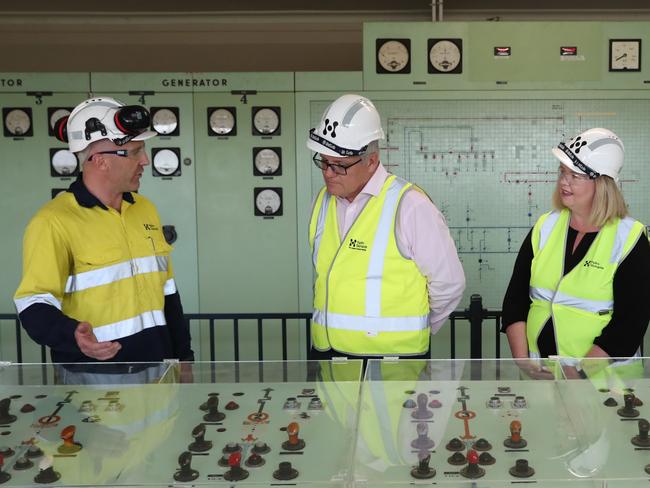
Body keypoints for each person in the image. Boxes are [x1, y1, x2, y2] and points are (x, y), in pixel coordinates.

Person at [14, 96, 193, 363]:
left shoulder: (145, 209)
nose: (144, 161)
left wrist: (184, 357)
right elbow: (33, 303)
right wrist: (73, 335)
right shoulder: (53, 221)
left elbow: (168, 292)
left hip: (158, 375)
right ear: (100, 161)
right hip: (94, 383)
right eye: (134, 152)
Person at [307, 94, 465, 360]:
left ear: (371, 160)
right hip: (328, 357)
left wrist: (413, 329)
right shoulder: (322, 203)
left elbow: (449, 284)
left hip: (394, 362)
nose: (328, 172)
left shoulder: (409, 205)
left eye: (340, 165)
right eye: (323, 161)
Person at [502, 128, 650, 362]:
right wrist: (524, 364)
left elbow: (629, 326)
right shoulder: (545, 226)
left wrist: (578, 377)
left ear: (603, 183)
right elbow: (515, 302)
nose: (564, 182)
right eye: (562, 173)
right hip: (542, 377)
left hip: (604, 385)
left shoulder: (629, 239)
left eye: (575, 176)